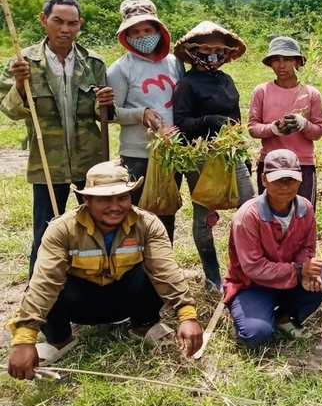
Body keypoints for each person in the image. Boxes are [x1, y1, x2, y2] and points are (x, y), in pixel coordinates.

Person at [6, 160, 203, 380]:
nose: (115, 206)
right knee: (45, 280)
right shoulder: (61, 229)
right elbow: (44, 282)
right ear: (86, 199)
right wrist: (25, 339)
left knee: (152, 270)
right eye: (104, 200)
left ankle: (144, 325)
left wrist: (187, 316)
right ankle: (59, 339)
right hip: (78, 305)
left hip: (125, 302)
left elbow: (166, 271)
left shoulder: (148, 224)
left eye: (122, 198)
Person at [0, 0, 114, 276]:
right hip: (47, 163)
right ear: (43, 20)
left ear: (80, 25)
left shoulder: (94, 63)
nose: (65, 29)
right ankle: (39, 298)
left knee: (96, 227)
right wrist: (20, 84)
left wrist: (107, 103)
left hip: (90, 162)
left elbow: (106, 115)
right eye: (58, 21)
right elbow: (10, 110)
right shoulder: (23, 62)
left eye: (72, 23)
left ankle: (95, 286)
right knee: (46, 230)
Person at [172, 20, 256, 292]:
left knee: (250, 208)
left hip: (230, 154)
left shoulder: (226, 80)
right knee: (204, 216)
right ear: (194, 52)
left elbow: (236, 120)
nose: (212, 54)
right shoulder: (187, 83)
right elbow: (181, 122)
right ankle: (212, 277)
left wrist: (242, 152)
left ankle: (249, 270)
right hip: (201, 156)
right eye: (206, 49)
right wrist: (209, 120)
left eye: (218, 50)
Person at [224, 149, 322, 346]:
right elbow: (253, 268)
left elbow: (307, 248)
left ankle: (283, 316)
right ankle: (249, 315)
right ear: (264, 180)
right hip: (251, 286)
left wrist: (307, 273)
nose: (284, 186)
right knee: (256, 334)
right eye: (277, 180)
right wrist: (299, 270)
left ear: (300, 180)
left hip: (289, 277)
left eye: (290, 180)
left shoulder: (305, 208)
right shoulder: (248, 216)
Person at [107, 0, 184, 242]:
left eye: (147, 30)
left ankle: (163, 266)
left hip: (171, 153)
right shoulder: (120, 69)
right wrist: (142, 114)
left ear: (158, 31)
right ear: (126, 36)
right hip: (138, 154)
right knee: (136, 213)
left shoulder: (175, 63)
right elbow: (111, 112)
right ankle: (136, 268)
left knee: (166, 211)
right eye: (135, 31)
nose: (142, 35)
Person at [249, 36, 322, 206]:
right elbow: (253, 128)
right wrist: (273, 129)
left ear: (297, 62)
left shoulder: (311, 93)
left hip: (302, 164)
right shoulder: (262, 91)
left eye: (288, 59)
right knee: (269, 217)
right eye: (276, 60)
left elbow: (318, 131)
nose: (281, 65)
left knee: (303, 215)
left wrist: (303, 124)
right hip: (270, 163)